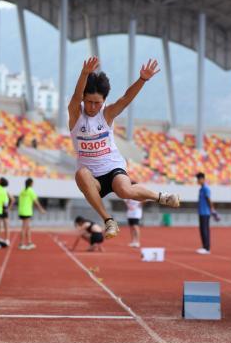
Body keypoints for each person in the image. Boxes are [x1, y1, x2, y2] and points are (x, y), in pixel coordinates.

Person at [68, 57, 180, 239]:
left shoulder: (106, 114)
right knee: (80, 174)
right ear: (83, 99)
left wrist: (142, 79)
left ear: (104, 101)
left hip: (112, 167)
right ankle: (109, 221)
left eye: (97, 103)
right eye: (88, 102)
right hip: (91, 175)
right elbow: (75, 97)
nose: (92, 107)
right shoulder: (75, 114)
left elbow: (126, 98)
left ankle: (161, 196)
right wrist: (84, 73)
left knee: (125, 191)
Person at [18, 178, 45, 249]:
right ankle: (21, 244)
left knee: (27, 227)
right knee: (24, 228)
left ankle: (29, 242)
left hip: (21, 211)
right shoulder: (30, 191)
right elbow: (36, 201)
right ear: (31, 183)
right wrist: (41, 209)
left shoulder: (22, 191)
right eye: (33, 183)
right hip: (27, 211)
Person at [195, 172, 219, 254]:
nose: (197, 181)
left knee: (205, 230)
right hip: (201, 212)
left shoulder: (206, 188)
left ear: (202, 179)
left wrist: (213, 210)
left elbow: (209, 199)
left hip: (205, 213)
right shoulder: (201, 189)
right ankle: (204, 246)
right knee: (202, 230)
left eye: (198, 179)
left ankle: (207, 248)